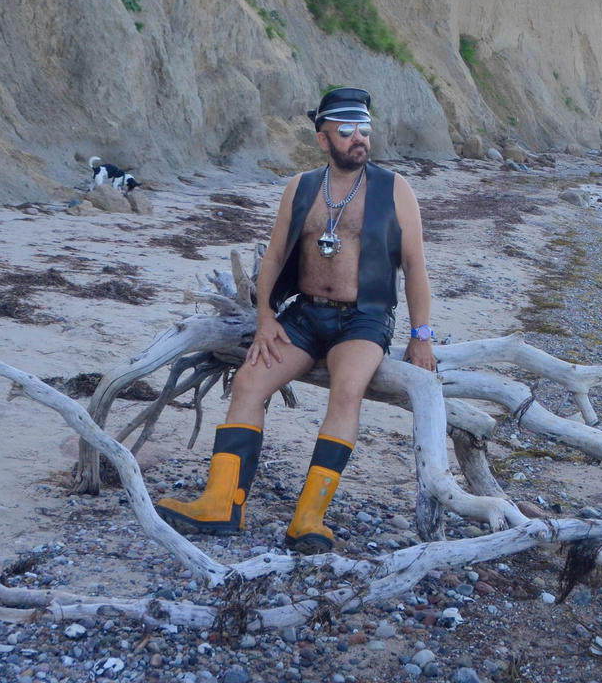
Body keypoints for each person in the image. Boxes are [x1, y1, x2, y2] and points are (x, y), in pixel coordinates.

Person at [156, 87, 437, 553]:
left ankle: (308, 517)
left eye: (364, 129)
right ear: (323, 139)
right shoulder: (302, 187)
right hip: (303, 315)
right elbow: (275, 258)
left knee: (347, 392)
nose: (358, 139)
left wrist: (420, 337)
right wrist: (265, 319)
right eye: (345, 131)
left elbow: (416, 267)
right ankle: (221, 503)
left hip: (364, 319)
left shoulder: (394, 189)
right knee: (248, 383)